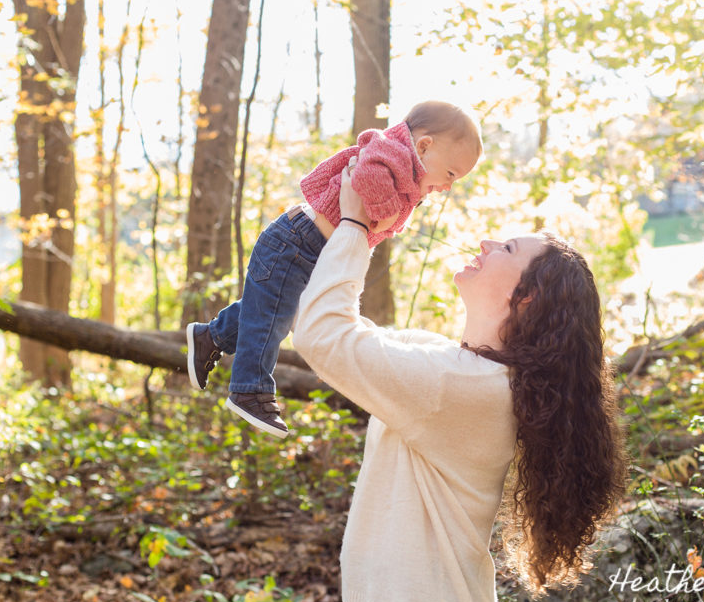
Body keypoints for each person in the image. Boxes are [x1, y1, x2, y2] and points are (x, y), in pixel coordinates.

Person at [291, 162, 628, 602]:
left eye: (507, 248)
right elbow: (348, 332)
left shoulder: (456, 385)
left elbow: (322, 335)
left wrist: (353, 223)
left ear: (527, 297)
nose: (488, 243)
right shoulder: (460, 369)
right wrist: (361, 231)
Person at [186, 101, 482, 438]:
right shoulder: (391, 151)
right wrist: (386, 212)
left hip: (309, 250)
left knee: (271, 310)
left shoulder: (407, 169)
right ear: (424, 146)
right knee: (270, 319)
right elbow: (368, 176)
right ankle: (249, 390)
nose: (448, 186)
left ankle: (210, 336)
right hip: (295, 241)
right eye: (450, 174)